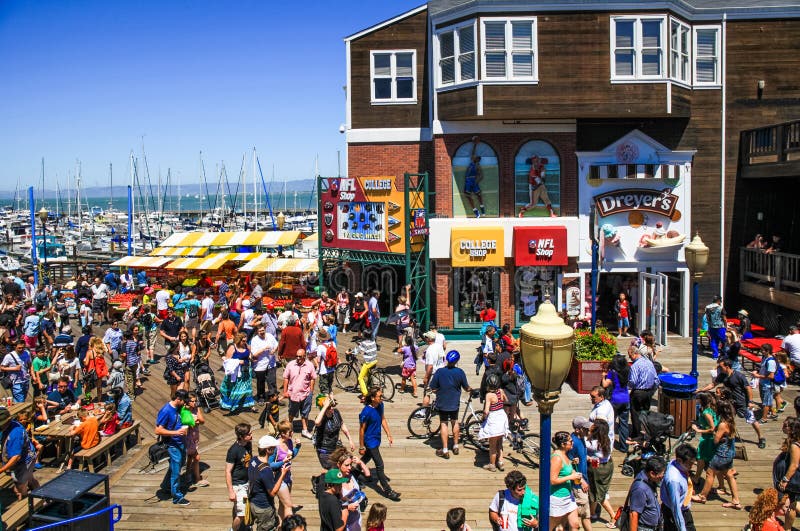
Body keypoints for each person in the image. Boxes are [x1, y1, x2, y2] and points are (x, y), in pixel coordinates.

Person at [699, 358, 766, 448]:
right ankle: (727, 437)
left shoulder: (739, 376)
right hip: (730, 403)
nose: (719, 368)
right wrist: (701, 390)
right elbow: (713, 384)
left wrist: (750, 401)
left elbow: (748, 388)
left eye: (721, 366)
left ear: (727, 367)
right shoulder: (722, 376)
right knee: (727, 419)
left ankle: (761, 437)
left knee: (751, 420)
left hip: (742, 403)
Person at [692, 400, 741, 509]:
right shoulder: (731, 421)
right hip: (730, 452)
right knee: (729, 474)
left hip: (721, 453)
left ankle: (702, 496)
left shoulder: (723, 424)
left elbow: (715, 440)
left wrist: (713, 433)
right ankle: (736, 501)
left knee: (710, 473)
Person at [359, 387, 400, 501]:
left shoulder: (380, 405)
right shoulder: (366, 412)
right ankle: (388, 491)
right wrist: (361, 446)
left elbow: (382, 419)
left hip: (377, 438)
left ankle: (354, 471)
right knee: (380, 465)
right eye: (379, 396)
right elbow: (362, 430)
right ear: (372, 398)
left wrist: (389, 434)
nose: (381, 398)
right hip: (369, 441)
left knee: (367, 457)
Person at [429, 350, 472, 460]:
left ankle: (444, 449)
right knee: (455, 421)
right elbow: (466, 388)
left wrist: (437, 391)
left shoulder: (439, 372)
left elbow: (433, 387)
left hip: (442, 401)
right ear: (457, 360)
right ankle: (456, 445)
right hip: (454, 402)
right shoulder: (460, 372)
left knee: (444, 424)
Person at [154, 389, 190, 505]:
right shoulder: (166, 411)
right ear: (178, 399)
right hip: (172, 444)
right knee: (176, 471)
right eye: (184, 401)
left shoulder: (178, 408)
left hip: (180, 442)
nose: (185, 403)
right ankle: (177, 497)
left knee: (176, 465)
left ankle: (166, 486)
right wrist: (176, 433)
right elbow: (158, 430)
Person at [249, 435, 288, 531]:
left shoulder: (253, 460)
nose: (275, 450)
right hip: (264, 507)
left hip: (253, 502)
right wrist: (282, 474)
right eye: (274, 448)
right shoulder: (266, 470)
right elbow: (272, 493)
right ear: (268, 450)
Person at [0, 406, 39, 499]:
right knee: (30, 479)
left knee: (19, 487)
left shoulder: (15, 434)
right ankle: (41, 498)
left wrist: (2, 470)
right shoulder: (12, 424)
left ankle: (29, 502)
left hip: (24, 461)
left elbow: (16, 457)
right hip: (27, 456)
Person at [586, 419, 616, 526]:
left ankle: (614, 517)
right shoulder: (609, 439)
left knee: (600, 495)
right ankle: (593, 513)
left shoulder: (593, 444)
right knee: (594, 490)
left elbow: (584, 444)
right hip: (607, 465)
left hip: (597, 468)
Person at [550, 431, 581, 530]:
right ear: (563, 444)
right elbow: (553, 480)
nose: (573, 443)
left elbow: (565, 470)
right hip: (558, 498)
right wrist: (570, 477)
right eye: (570, 442)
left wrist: (572, 464)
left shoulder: (565, 454)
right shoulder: (557, 458)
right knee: (549, 527)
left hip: (568, 496)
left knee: (575, 525)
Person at [661, 443, 697, 531]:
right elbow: (676, 509)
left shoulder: (673, 463)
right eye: (690, 464)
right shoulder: (674, 480)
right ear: (680, 460)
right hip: (675, 512)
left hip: (682, 507)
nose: (692, 466)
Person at [314, 395, 356, 469]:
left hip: (336, 447)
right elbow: (317, 422)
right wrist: (325, 406)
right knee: (334, 469)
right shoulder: (321, 418)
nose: (332, 408)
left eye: (332, 405)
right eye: (329, 407)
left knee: (345, 465)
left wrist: (350, 439)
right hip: (325, 450)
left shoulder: (336, 413)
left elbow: (342, 425)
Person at [627, 343, 659, 440]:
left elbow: (633, 381)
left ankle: (637, 435)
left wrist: (627, 387)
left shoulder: (635, 366)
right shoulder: (649, 362)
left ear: (634, 354)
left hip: (638, 392)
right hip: (648, 392)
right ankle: (646, 432)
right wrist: (652, 391)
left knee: (635, 414)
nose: (630, 358)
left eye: (630, 356)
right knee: (645, 413)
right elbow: (656, 379)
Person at [270, 419, 301, 519]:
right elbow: (270, 465)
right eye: (290, 432)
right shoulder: (276, 446)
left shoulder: (289, 442)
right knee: (288, 505)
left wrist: (297, 447)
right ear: (283, 433)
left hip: (288, 476)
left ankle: (281, 526)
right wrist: (282, 462)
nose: (292, 433)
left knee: (282, 505)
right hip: (278, 478)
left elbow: (291, 456)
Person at [284, 348, 317, 438]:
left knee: (305, 412)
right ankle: (289, 428)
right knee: (291, 412)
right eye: (297, 356)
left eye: (300, 356)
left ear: (304, 356)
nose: (298, 358)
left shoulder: (310, 365)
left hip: (306, 393)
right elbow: (286, 378)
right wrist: (285, 392)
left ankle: (305, 430)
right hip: (293, 394)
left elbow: (313, 378)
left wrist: (311, 391)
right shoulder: (290, 365)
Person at [225, 423, 253, 530]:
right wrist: (231, 491)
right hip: (238, 485)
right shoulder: (233, 450)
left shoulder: (248, 444)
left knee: (241, 507)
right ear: (241, 436)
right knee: (241, 514)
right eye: (249, 434)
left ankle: (243, 527)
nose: (251, 435)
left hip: (247, 482)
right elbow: (228, 471)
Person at [627, 456, 666, 531]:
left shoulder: (647, 477)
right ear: (652, 473)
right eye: (661, 474)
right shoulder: (640, 488)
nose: (662, 476)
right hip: (645, 528)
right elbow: (633, 514)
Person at [479, 372, 508, 472]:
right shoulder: (500, 391)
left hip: (494, 417)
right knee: (500, 442)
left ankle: (492, 464)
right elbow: (506, 400)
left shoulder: (489, 395)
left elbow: (486, 410)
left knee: (492, 445)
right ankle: (500, 462)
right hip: (502, 415)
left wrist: (483, 417)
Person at [567, 417, 592, 531]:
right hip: (578, 485)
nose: (588, 431)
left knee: (585, 515)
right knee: (579, 516)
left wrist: (586, 458)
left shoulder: (581, 439)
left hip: (583, 480)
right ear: (577, 430)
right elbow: (568, 465)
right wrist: (581, 482)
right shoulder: (573, 443)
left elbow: (579, 457)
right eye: (585, 428)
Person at [221, 332, 256, 413]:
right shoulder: (233, 347)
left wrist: (252, 358)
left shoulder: (246, 346)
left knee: (247, 388)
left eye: (245, 340)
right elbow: (227, 361)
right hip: (236, 372)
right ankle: (232, 405)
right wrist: (238, 361)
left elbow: (250, 356)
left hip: (246, 371)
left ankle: (250, 405)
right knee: (235, 389)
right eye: (243, 341)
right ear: (238, 340)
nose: (245, 342)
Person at [602, 354, 630, 451]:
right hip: (625, 399)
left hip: (614, 400)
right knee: (624, 424)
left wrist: (603, 376)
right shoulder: (627, 371)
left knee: (611, 423)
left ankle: (609, 445)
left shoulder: (612, 373)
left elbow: (605, 385)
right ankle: (624, 447)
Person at [691, 392, 718, 485]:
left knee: (701, 458)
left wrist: (698, 430)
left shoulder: (706, 413)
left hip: (707, 439)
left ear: (701, 400)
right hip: (709, 439)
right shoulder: (711, 409)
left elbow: (712, 428)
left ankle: (696, 478)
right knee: (704, 459)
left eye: (697, 400)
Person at [518, 153, 556, 218]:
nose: (537, 162)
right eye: (535, 161)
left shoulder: (541, 166)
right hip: (534, 187)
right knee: (533, 204)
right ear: (533, 162)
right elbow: (540, 181)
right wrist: (542, 176)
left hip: (541, 185)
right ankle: (521, 212)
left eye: (538, 160)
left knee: (547, 199)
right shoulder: (532, 171)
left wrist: (543, 173)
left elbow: (543, 178)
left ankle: (552, 213)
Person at [183, 391, 208, 488]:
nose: (194, 403)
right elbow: (186, 424)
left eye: (195, 401)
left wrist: (194, 421)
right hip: (187, 437)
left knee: (190, 457)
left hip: (194, 435)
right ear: (187, 402)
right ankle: (197, 479)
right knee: (196, 457)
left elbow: (202, 421)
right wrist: (194, 421)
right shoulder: (184, 410)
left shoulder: (196, 409)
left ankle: (188, 474)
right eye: (192, 401)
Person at [251, 324, 278, 404]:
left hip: (271, 363)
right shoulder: (255, 340)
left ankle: (273, 397)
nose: (262, 332)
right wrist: (263, 349)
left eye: (263, 330)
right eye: (260, 331)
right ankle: (261, 397)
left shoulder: (270, 336)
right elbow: (254, 354)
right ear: (257, 332)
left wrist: (274, 350)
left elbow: (276, 345)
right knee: (261, 382)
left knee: (272, 381)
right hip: (260, 364)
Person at [753, 344, 780, 421]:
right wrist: (757, 371)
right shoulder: (765, 358)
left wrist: (758, 376)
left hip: (768, 385)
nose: (761, 351)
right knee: (768, 400)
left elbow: (771, 376)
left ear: (767, 351)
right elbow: (763, 369)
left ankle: (764, 419)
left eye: (762, 350)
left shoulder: (771, 361)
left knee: (766, 403)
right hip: (762, 383)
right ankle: (774, 414)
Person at [463, 137, 485, 218]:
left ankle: (482, 207)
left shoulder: (477, 166)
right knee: (467, 195)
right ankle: (475, 211)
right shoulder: (472, 162)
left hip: (473, 180)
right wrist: (475, 145)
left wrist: (477, 181)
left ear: (478, 160)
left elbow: (481, 175)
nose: (475, 157)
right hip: (468, 181)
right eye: (475, 157)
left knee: (478, 195)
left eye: (477, 157)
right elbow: (473, 153)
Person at [704, 295, 727, 360]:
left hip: (711, 326)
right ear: (718, 300)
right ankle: (724, 354)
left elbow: (707, 318)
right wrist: (726, 326)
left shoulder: (707, 307)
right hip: (720, 327)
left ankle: (715, 355)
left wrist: (708, 326)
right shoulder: (720, 308)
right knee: (724, 340)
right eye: (720, 300)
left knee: (713, 340)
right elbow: (724, 318)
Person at [316, 328, 336, 395]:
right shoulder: (333, 343)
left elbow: (318, 360)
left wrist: (317, 369)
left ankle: (326, 404)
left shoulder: (320, 347)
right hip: (332, 368)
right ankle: (332, 400)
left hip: (324, 370)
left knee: (324, 389)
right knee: (329, 386)